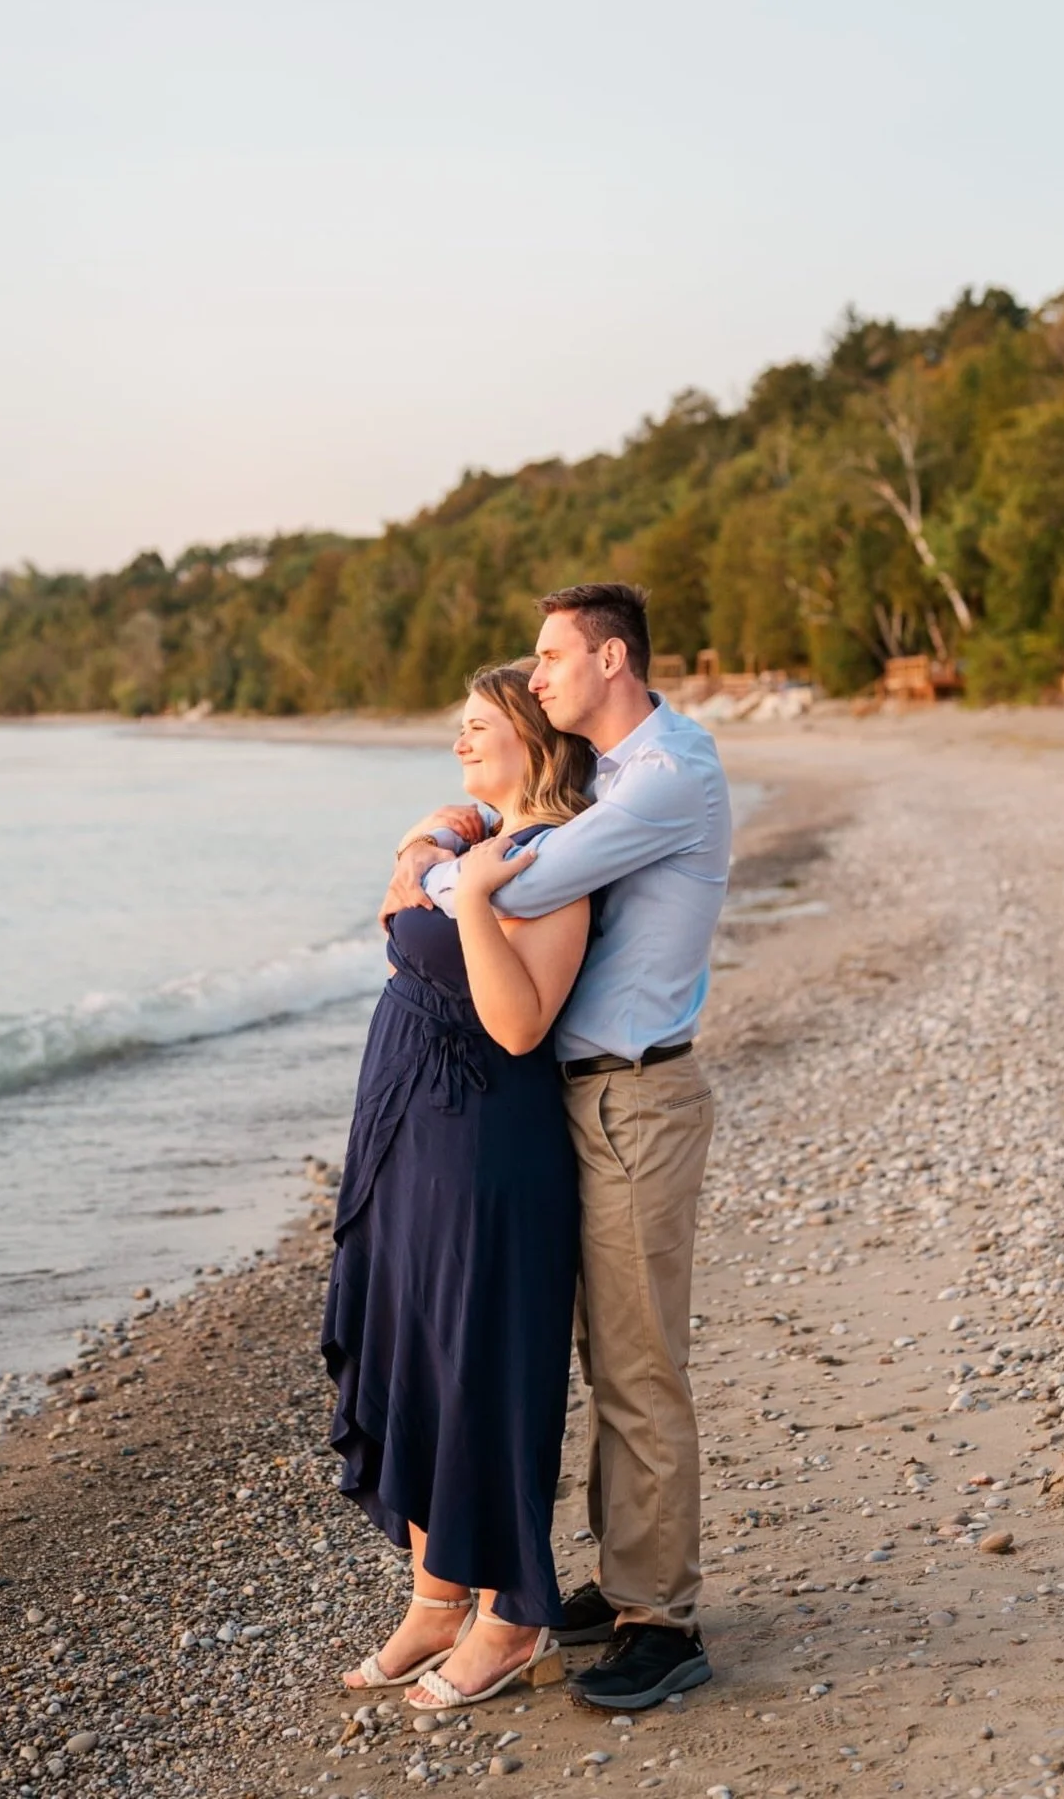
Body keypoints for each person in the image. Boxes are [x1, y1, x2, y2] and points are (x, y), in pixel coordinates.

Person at [380, 582, 731, 1711]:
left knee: (636, 1365)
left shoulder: (669, 776)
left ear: (612, 657)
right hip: (575, 1100)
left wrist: (433, 858)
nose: (534, 678)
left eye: (549, 657)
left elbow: (514, 878)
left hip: (633, 1099)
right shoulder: (611, 778)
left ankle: (661, 1620)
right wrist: (455, 835)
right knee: (596, 1353)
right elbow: (500, 846)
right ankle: (620, 1578)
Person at [322, 661, 597, 1712]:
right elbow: (396, 918)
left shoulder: (559, 857)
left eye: (477, 725)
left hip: (486, 1133)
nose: (458, 742)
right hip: (407, 1127)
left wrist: (474, 889)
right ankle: (436, 1596)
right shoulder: (475, 830)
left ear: (532, 734)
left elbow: (520, 1021)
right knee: (410, 1346)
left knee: (478, 1362)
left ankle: (513, 1613)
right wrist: (429, 844)